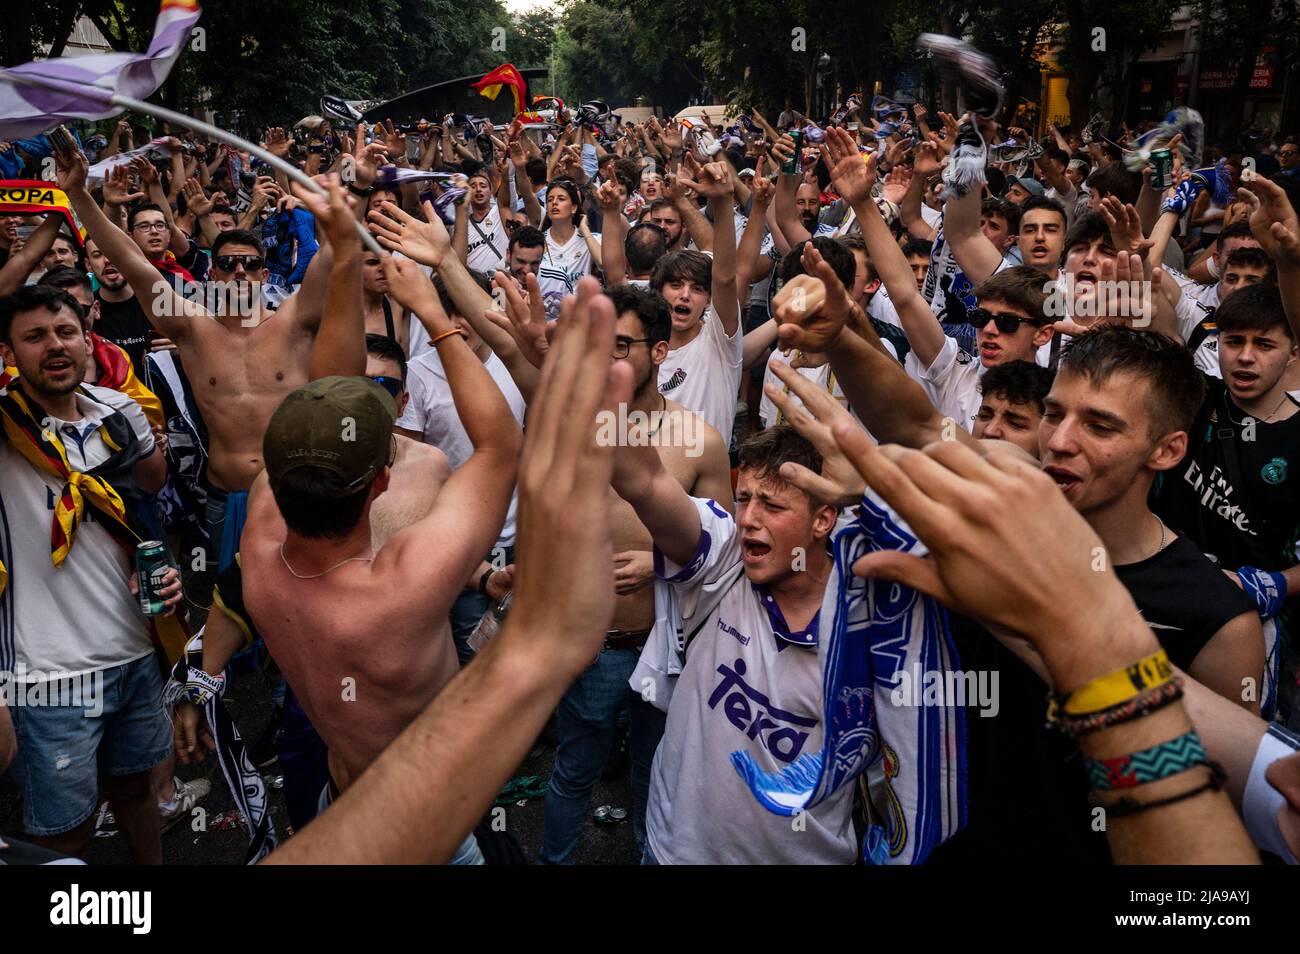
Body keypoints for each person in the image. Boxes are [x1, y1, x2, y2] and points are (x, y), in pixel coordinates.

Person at [236, 254, 520, 863]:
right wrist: (432, 313)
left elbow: (324, 402)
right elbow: (499, 447)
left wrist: (341, 260)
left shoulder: (259, 557)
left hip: (344, 800)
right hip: (427, 830)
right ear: (381, 484)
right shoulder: (402, 590)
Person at [60, 147, 342, 574]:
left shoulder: (294, 320)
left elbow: (334, 254)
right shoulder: (192, 328)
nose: (240, 273)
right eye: (228, 264)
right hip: (225, 496)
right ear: (214, 274)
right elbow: (132, 263)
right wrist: (80, 196)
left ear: (265, 275)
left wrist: (347, 192)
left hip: (294, 494)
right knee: (232, 606)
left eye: (251, 265)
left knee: (309, 605)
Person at [538, 284, 733, 864]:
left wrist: (661, 563)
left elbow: (727, 550)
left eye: (622, 346)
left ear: (660, 351)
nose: (608, 359)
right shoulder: (572, 428)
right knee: (575, 769)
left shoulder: (701, 442)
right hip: (592, 643)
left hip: (668, 645)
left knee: (658, 775)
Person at [0, 284, 182, 862]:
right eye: (33, 337)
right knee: (64, 834)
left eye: (65, 332)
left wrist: (160, 571)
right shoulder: (5, 427)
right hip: (48, 674)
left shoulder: (116, 412)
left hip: (132, 650)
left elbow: (145, 497)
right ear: (8, 351)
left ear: (87, 339)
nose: (54, 346)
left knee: (137, 790)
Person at [651, 161, 742, 439]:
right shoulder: (643, 349)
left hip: (707, 481)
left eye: (697, 289)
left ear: (708, 300)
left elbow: (725, 276)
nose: (685, 295)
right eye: (676, 285)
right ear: (658, 291)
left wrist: (723, 201)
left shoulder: (719, 342)